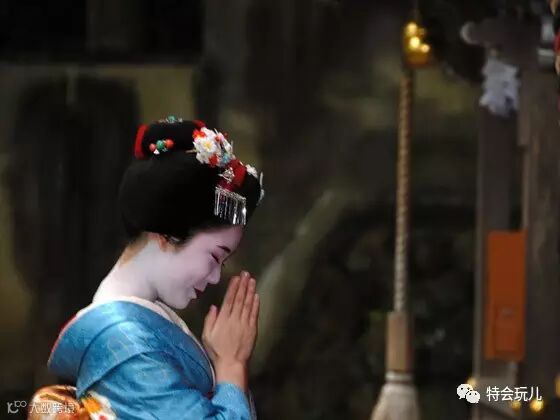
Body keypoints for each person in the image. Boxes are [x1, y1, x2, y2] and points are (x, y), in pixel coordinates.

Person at [31, 117, 264, 419]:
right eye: (214, 256)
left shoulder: (138, 327)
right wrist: (231, 364)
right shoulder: (126, 345)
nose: (216, 276)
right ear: (167, 234)